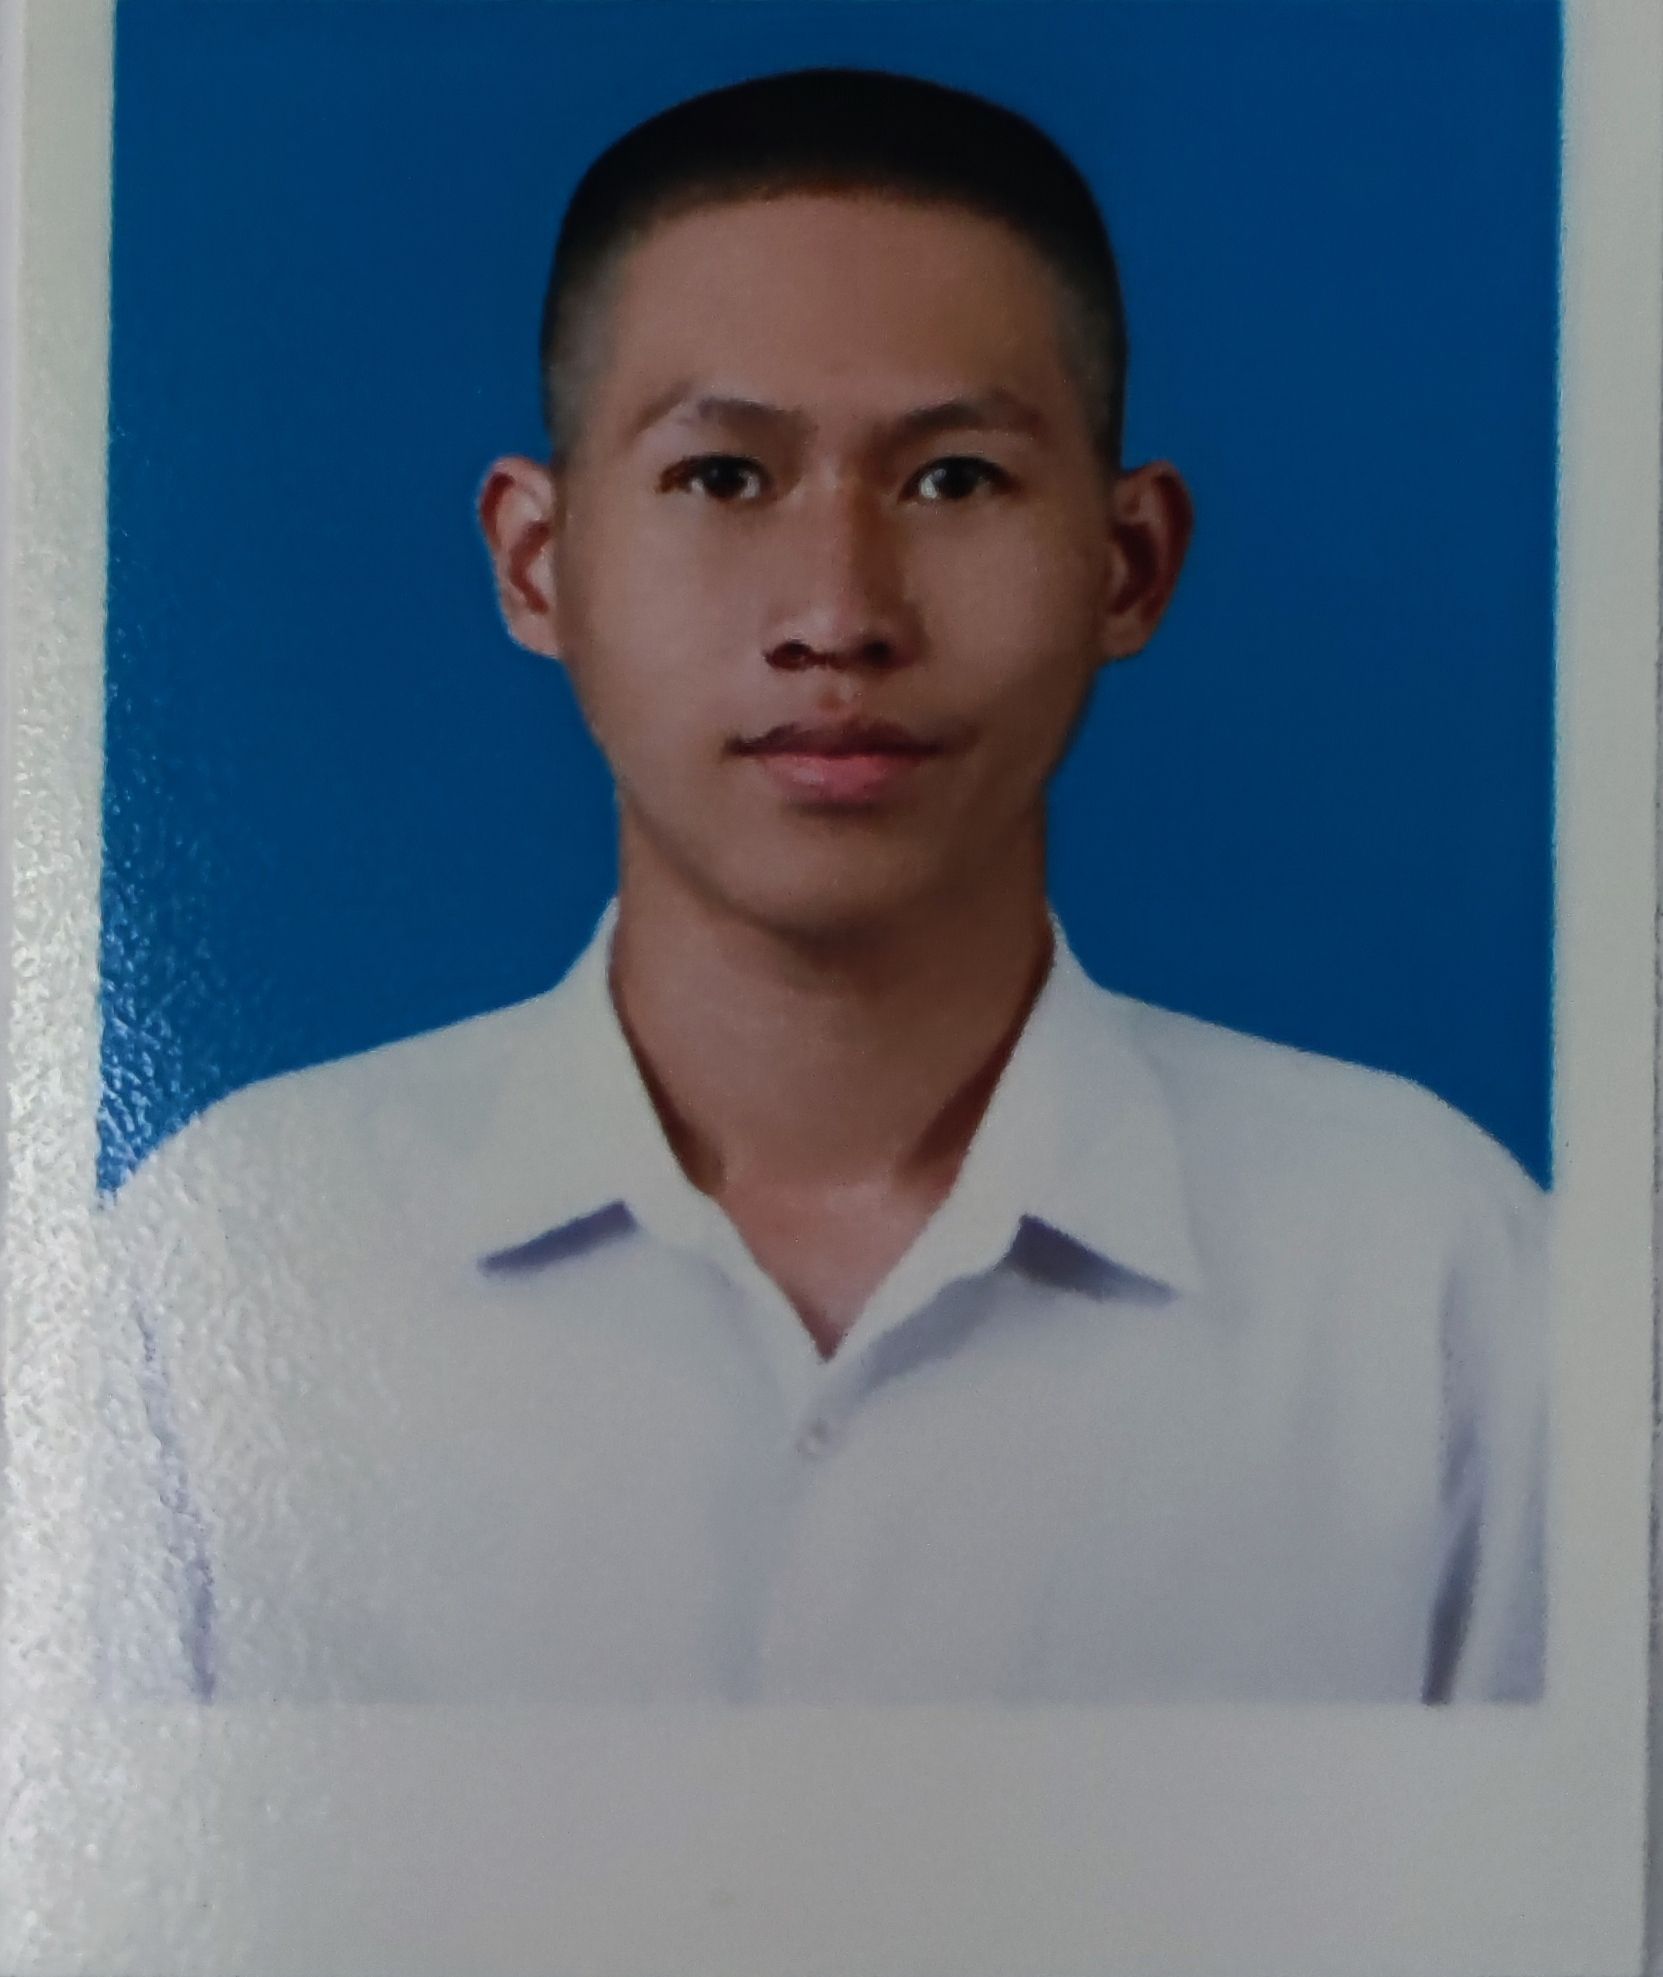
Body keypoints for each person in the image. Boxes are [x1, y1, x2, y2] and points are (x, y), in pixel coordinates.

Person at [95, 66, 1545, 1706]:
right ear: (538, 562)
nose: (840, 614)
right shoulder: (221, 1278)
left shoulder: (1435, 1280)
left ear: (1129, 562)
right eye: (724, 477)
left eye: (954, 479)